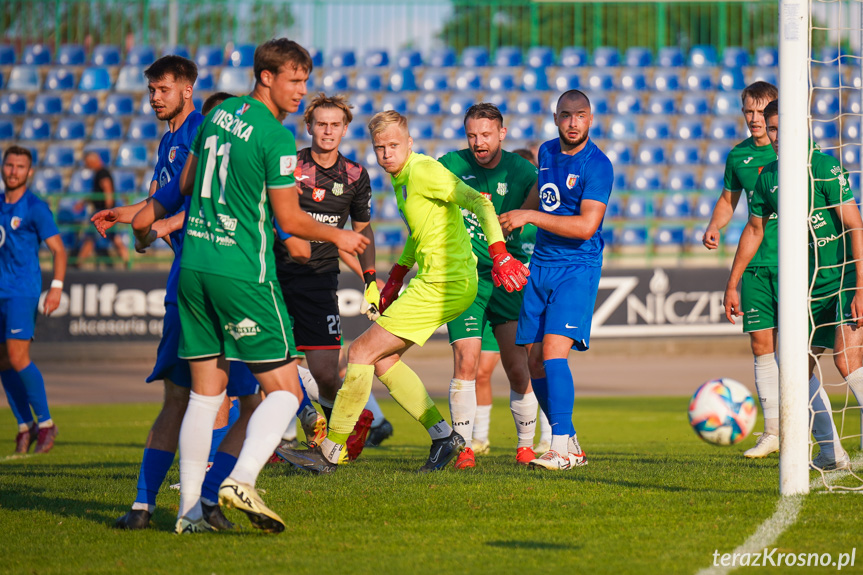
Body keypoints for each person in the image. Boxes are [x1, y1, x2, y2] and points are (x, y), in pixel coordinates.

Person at [172, 38, 367, 533]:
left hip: (194, 265)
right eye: (295, 80)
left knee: (204, 395)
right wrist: (338, 233)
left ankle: (189, 514)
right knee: (281, 392)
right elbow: (289, 217)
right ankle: (240, 479)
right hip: (243, 271)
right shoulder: (276, 139)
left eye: (305, 79)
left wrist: (146, 217)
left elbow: (186, 186)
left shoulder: (218, 115)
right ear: (266, 77)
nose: (302, 90)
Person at [277, 110, 528, 473]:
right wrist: (393, 278)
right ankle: (443, 437)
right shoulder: (403, 178)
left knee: (360, 351)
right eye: (380, 148)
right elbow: (420, 231)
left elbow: (480, 202)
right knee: (383, 360)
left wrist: (500, 253)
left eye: (394, 145)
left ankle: (329, 452)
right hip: (438, 281)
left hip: (445, 283)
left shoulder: (424, 170)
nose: (387, 154)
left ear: (409, 143)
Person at [93, 61, 258, 532]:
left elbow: (208, 202)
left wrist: (157, 224)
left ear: (188, 90)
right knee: (207, 398)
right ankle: (176, 504)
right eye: (150, 89)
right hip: (201, 281)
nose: (154, 97)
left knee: (213, 398)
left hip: (211, 275)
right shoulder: (169, 141)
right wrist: (132, 219)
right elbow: (160, 202)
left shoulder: (201, 134)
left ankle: (178, 502)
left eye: (163, 89)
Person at [723, 99, 860, 471]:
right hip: (809, 286)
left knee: (847, 361)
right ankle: (832, 451)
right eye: (772, 130)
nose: (777, 136)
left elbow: (856, 225)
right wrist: (732, 282)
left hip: (844, 277)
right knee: (797, 366)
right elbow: (754, 229)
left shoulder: (824, 167)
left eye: (783, 128)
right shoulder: (769, 175)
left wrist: (862, 286)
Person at [499, 89, 614, 471]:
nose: (573, 122)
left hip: (577, 268)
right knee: (533, 362)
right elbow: (539, 194)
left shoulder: (599, 165)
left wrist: (529, 218)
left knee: (552, 353)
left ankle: (560, 447)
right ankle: (571, 442)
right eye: (566, 115)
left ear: (590, 119)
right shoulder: (546, 153)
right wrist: (516, 216)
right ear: (555, 118)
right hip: (541, 268)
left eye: (580, 115)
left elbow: (585, 227)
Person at [272, 92, 392, 446]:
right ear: (308, 126)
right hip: (275, 277)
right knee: (271, 359)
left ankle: (326, 439)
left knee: (326, 373)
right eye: (321, 124)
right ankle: (294, 438)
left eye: (334, 125)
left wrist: (371, 278)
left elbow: (360, 233)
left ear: (344, 130)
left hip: (320, 280)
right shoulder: (289, 166)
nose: (327, 131)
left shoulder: (355, 175)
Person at [437, 103, 540, 469]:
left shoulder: (523, 170)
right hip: (466, 278)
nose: (478, 142)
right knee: (466, 362)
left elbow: (547, 204)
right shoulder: (450, 165)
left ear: (502, 133)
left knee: (517, 367)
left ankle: (526, 447)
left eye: (485, 134)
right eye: (472, 135)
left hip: (508, 279)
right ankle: (464, 448)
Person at [702, 82, 783, 459]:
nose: (754, 119)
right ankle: (773, 432)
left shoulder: (792, 152)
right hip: (754, 265)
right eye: (748, 111)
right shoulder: (739, 157)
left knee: (802, 350)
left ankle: (810, 425)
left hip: (794, 264)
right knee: (760, 345)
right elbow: (728, 200)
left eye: (760, 110)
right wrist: (715, 225)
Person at [0, 146, 66, 454]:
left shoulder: (35, 207)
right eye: (9, 165)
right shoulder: (1, 205)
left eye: (20, 166)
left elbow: (59, 250)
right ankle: (25, 426)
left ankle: (47, 423)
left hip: (21, 292)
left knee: (17, 357)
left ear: (30, 172)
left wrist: (56, 286)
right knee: (3, 362)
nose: (13, 171)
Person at [76, 152, 129, 267]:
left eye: (88, 163)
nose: (87, 166)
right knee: (114, 237)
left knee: (90, 237)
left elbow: (107, 188)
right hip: (105, 210)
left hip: (102, 211)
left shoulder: (102, 173)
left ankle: (78, 264)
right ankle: (127, 260)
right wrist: (84, 202)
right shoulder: (100, 173)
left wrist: (108, 210)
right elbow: (99, 192)